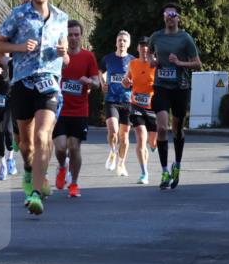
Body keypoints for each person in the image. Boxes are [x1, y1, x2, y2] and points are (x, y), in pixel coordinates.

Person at [0, 0, 68, 216]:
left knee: (42, 135)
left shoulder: (61, 18)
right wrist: (19, 47)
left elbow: (66, 54)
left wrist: (63, 53)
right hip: (22, 83)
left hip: (49, 83)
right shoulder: (18, 15)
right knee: (25, 144)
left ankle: (36, 192)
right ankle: (29, 170)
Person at [149, 3, 202, 190]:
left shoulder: (185, 38)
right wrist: (152, 61)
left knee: (177, 129)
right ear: (163, 17)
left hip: (180, 88)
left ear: (178, 17)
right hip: (161, 87)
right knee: (162, 127)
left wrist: (179, 62)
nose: (170, 17)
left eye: (173, 14)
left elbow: (198, 64)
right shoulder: (157, 36)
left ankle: (177, 165)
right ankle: (164, 170)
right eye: (166, 14)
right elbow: (149, 54)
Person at [52, 21, 99, 198]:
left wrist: (89, 82)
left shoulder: (88, 57)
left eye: (76, 35)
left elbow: (96, 82)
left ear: (81, 36)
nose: (73, 38)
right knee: (61, 148)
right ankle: (62, 167)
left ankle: (74, 184)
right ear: (65, 37)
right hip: (59, 109)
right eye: (70, 35)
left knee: (74, 147)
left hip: (80, 110)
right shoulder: (58, 57)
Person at [123, 36, 158, 185]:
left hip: (153, 107)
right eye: (142, 45)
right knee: (141, 137)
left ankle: (153, 145)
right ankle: (144, 173)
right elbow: (126, 82)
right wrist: (126, 82)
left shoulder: (156, 65)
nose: (144, 48)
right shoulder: (132, 64)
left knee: (152, 141)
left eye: (147, 46)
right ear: (137, 48)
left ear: (151, 50)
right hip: (136, 105)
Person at [100, 31, 135, 177]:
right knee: (113, 131)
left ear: (128, 44)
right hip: (111, 100)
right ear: (116, 42)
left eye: (124, 41)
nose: (122, 43)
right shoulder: (108, 58)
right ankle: (112, 151)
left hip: (127, 101)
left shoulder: (133, 61)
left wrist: (132, 83)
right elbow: (100, 71)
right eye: (119, 40)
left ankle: (121, 164)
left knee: (125, 137)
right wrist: (102, 83)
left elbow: (138, 78)